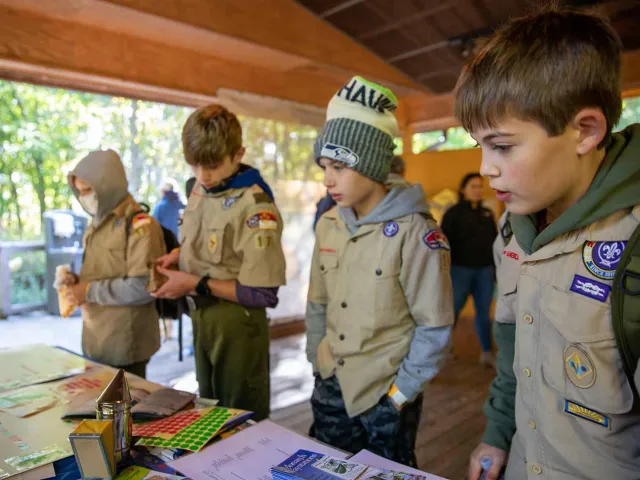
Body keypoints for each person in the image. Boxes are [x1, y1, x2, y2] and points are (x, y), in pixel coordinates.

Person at [454, 6, 640, 480]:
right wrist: (496, 436)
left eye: (502, 146)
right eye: (479, 145)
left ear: (584, 130)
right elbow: (516, 356)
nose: (485, 168)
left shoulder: (632, 241)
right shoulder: (511, 233)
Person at [306, 76, 454, 466]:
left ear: (370, 163)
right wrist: (316, 364)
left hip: (384, 394)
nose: (327, 179)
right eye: (324, 166)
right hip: (330, 384)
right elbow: (318, 302)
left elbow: (434, 327)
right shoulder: (329, 224)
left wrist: (399, 396)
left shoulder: (416, 232)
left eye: (339, 166)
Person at [152, 104, 286, 420]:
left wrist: (195, 283)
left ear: (238, 154)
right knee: (209, 417)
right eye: (195, 166)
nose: (202, 175)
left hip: (236, 326)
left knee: (242, 422)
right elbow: (206, 243)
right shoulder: (201, 188)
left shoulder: (256, 206)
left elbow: (263, 295)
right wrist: (179, 257)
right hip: (202, 321)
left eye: (211, 166)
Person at [65, 149, 166, 378]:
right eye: (79, 191)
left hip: (125, 343)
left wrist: (88, 290)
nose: (84, 197)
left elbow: (144, 286)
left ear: (107, 185)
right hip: (95, 339)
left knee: (125, 412)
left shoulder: (141, 226)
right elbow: (101, 270)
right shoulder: (97, 223)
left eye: (88, 190)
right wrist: (78, 282)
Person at [441, 173, 497, 366]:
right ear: (463, 190)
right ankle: (443, 349)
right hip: (460, 271)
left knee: (484, 313)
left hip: (485, 271)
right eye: (473, 186)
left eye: (480, 187)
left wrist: (495, 271)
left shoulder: (487, 214)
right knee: (453, 311)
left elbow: (494, 243)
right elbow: (444, 245)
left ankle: (486, 352)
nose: (478, 190)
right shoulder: (453, 214)